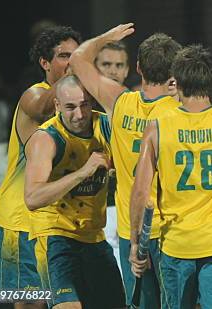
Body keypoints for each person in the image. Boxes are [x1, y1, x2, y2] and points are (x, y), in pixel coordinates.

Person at [129, 44, 212, 309]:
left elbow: (141, 194)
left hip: (175, 245)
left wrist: (136, 244)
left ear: (175, 81)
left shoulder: (156, 128)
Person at [70, 23, 181, 308]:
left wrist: (106, 38)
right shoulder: (181, 112)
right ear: (173, 73)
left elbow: (78, 60)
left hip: (130, 227)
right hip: (173, 229)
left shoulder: (119, 101)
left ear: (139, 68)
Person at [0, 25, 81, 309]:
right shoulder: (35, 95)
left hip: (55, 220)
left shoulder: (78, 104)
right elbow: (44, 108)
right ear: (44, 63)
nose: (72, 62)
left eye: (77, 56)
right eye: (64, 56)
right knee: (31, 303)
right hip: (20, 221)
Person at [24, 75, 124, 308]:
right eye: (70, 107)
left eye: (85, 105)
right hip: (55, 236)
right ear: (57, 106)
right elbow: (32, 198)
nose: (79, 114)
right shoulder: (46, 139)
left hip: (93, 235)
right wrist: (82, 172)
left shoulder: (106, 127)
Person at [93, 40, 130, 271]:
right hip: (89, 211)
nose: (113, 70)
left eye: (119, 65)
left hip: (124, 210)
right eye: (106, 64)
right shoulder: (78, 107)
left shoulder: (138, 108)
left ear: (127, 70)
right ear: (94, 68)